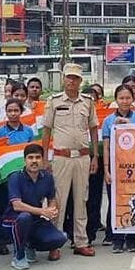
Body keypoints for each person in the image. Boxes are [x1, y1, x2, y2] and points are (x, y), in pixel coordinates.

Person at [41, 63, 99, 257]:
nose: (72, 81)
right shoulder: (54, 101)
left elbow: (93, 129)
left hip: (82, 156)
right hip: (61, 157)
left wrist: (95, 156)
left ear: (80, 81)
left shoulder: (88, 102)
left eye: (75, 78)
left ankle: (81, 242)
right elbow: (47, 130)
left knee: (81, 200)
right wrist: (45, 158)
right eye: (69, 77)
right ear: (63, 79)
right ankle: (54, 243)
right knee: (58, 201)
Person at [3, 144, 67, 270]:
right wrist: (42, 211)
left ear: (42, 160)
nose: (34, 161)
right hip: (13, 220)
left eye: (37, 157)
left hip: (36, 220)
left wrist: (52, 210)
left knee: (61, 238)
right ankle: (19, 256)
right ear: (25, 160)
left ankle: (29, 245)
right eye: (30, 158)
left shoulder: (47, 177)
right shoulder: (15, 177)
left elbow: (51, 199)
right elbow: (17, 205)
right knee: (25, 217)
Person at [102, 85, 135, 253]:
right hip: (116, 167)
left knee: (133, 200)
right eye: (121, 98)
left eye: (128, 98)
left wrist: (130, 124)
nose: (124, 101)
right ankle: (117, 239)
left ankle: (132, 239)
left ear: (133, 99)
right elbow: (106, 147)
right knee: (116, 202)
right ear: (116, 100)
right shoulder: (108, 121)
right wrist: (106, 170)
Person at [0, 99, 35, 256]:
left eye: (16, 110)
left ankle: (25, 240)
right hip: (5, 178)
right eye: (9, 111)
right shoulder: (0, 132)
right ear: (6, 112)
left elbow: (32, 153)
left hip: (24, 178)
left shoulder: (28, 131)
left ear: (21, 112)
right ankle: (2, 241)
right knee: (3, 209)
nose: (13, 114)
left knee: (24, 209)